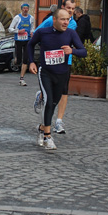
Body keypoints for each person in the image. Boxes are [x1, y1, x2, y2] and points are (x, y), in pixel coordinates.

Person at [28, 9, 86, 150]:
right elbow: (30, 44)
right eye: (62, 19)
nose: (66, 22)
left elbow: (83, 51)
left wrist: (72, 51)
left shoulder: (71, 34)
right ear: (54, 20)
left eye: (68, 19)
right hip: (46, 72)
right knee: (48, 101)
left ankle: (42, 128)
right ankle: (47, 136)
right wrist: (31, 62)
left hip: (62, 74)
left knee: (53, 103)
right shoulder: (43, 32)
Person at [8, 3, 35, 86]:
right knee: (18, 60)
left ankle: (22, 78)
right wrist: (18, 31)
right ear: (21, 9)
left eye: (27, 8)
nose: (25, 10)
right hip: (18, 40)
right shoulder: (17, 18)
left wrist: (32, 32)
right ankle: (16, 58)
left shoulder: (31, 18)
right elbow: (10, 29)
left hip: (27, 40)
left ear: (28, 9)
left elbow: (32, 28)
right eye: (24, 8)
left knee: (25, 59)